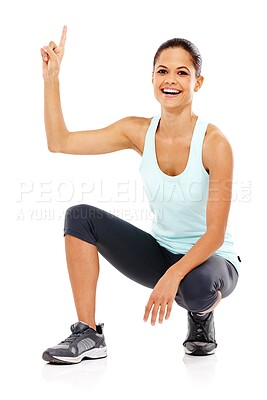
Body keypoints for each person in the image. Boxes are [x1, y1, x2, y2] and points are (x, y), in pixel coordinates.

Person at [40, 26, 241, 364]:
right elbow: (60, 142)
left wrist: (174, 275)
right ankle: (88, 332)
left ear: (198, 82)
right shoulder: (137, 131)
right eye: (163, 71)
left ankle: (201, 316)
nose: (171, 80)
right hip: (162, 251)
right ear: (152, 78)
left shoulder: (214, 144)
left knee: (196, 290)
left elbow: (215, 234)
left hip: (213, 259)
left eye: (182, 72)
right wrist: (51, 79)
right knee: (80, 216)